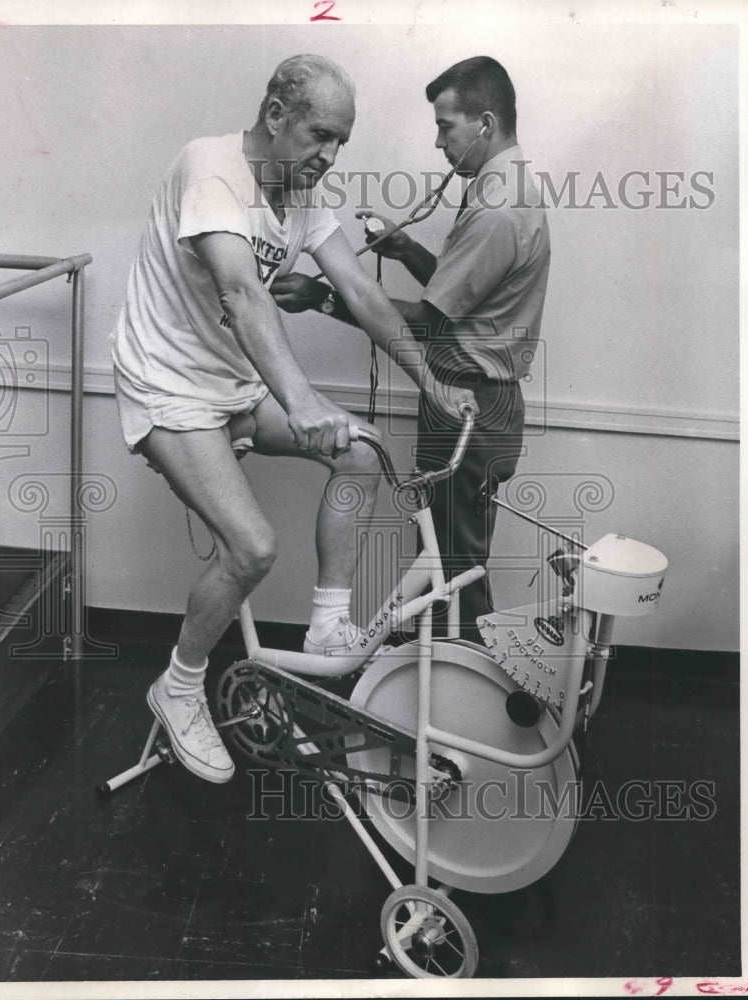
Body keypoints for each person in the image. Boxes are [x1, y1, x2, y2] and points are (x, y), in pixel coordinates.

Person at [110, 54, 475, 784]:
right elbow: (243, 292)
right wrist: (303, 403)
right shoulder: (211, 168)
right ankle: (179, 687)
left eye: (341, 140)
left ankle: (327, 620)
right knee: (251, 547)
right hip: (167, 386)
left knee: (362, 453)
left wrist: (429, 380)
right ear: (275, 116)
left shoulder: (301, 194)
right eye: (320, 134)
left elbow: (362, 296)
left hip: (232, 386)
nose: (330, 155)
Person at [271, 55, 550, 647]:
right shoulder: (509, 186)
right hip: (482, 402)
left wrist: (325, 300)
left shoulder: (498, 208)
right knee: (447, 558)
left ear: (485, 122)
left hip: (467, 402)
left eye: (447, 127)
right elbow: (465, 292)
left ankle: (460, 713)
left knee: (453, 573)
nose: (439, 142)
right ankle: (428, 695)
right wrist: (404, 249)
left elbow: (428, 318)